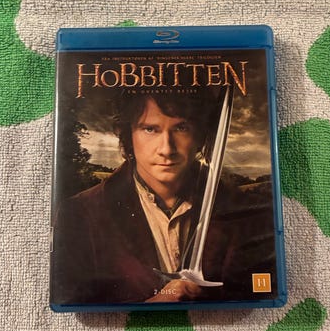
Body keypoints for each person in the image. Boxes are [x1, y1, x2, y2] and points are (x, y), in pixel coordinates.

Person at [50, 92, 276, 305]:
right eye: (150, 129)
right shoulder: (79, 213)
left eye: (181, 128)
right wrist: (148, 310)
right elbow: (74, 304)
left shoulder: (246, 212)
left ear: (200, 136)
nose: (167, 149)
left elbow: (261, 292)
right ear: (128, 135)